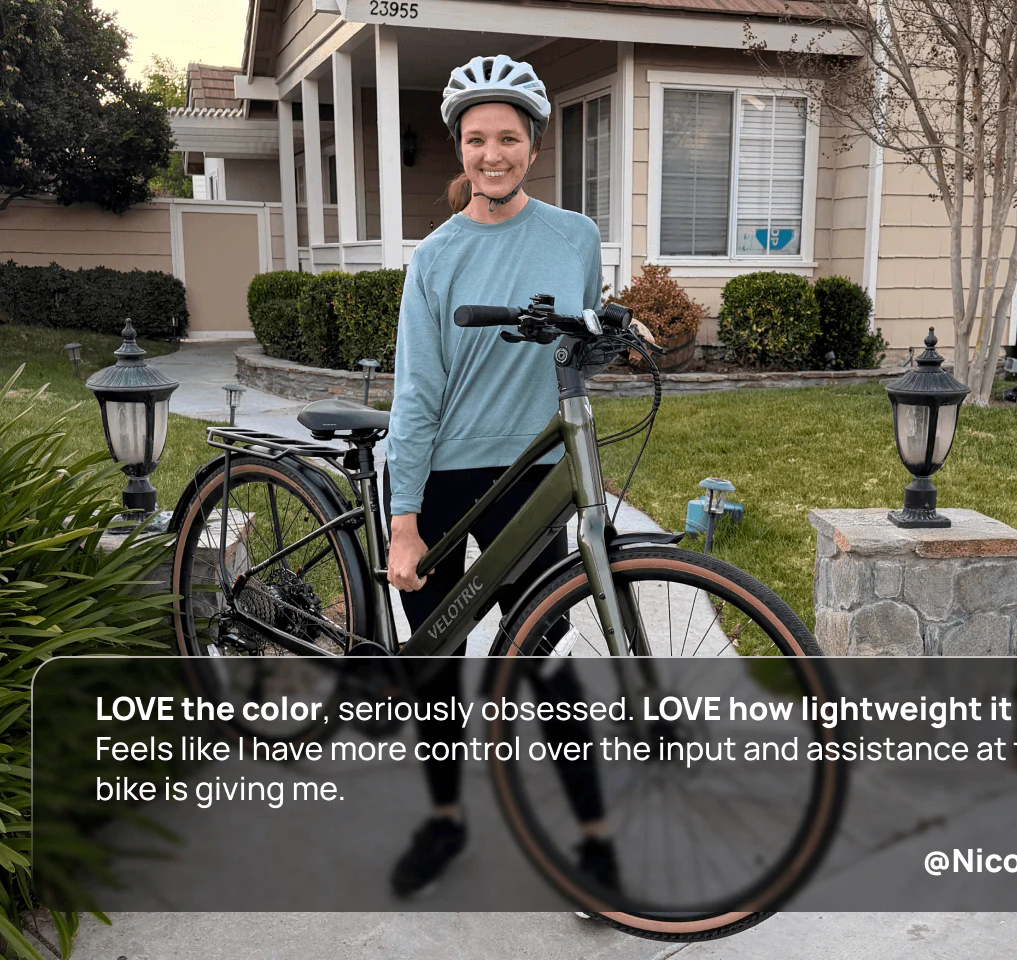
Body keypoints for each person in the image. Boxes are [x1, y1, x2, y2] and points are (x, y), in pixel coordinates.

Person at [382, 54, 627, 897]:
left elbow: (576, 348)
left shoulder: (576, 237)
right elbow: (416, 394)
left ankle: (594, 842)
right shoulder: (436, 258)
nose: (493, 153)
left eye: (509, 138)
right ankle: (445, 821)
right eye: (477, 139)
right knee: (438, 662)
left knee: (547, 659)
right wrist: (405, 519)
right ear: (461, 147)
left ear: (533, 146)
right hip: (446, 473)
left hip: (534, 474)